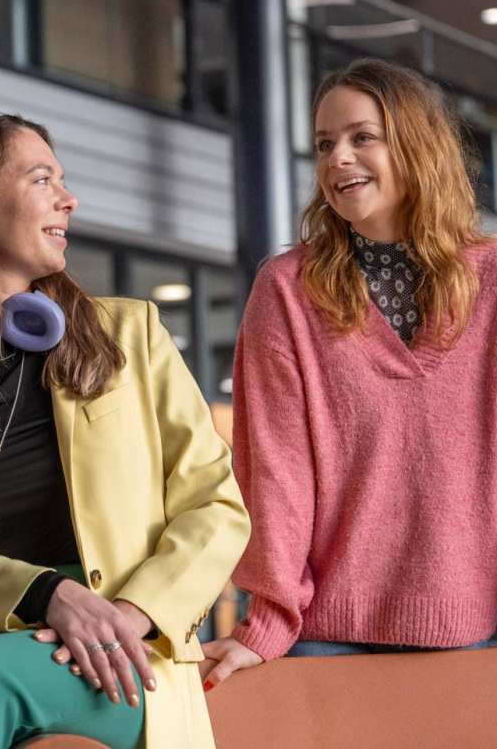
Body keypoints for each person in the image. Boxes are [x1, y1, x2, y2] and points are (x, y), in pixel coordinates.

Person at [0, 113, 250, 748]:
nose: (69, 197)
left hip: (130, 651)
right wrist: (44, 593)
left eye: (63, 179)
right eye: (41, 179)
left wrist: (130, 617)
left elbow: (215, 505)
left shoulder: (129, 335)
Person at [201, 59, 497, 688]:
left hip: (474, 627)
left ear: (418, 144)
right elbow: (276, 471)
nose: (338, 158)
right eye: (325, 143)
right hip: (326, 633)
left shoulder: (493, 281)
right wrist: (267, 621)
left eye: (363, 137)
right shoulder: (286, 290)